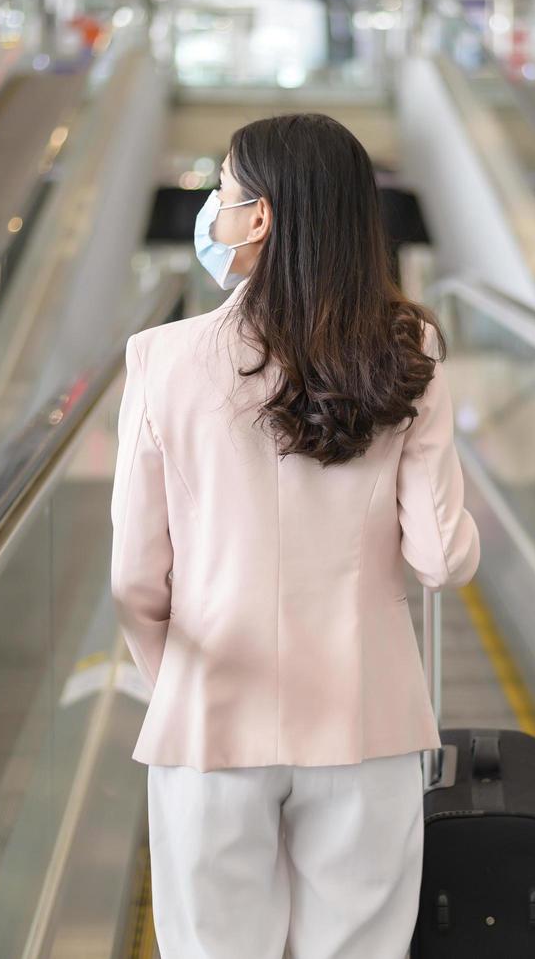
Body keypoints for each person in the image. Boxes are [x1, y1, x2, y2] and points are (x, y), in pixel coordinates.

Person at [109, 113, 480, 959]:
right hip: (366, 716)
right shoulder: (408, 351)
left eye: (223, 192)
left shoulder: (162, 358)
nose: (213, 209)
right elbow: (438, 556)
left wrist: (183, 686)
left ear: (262, 217)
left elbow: (136, 576)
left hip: (208, 718)